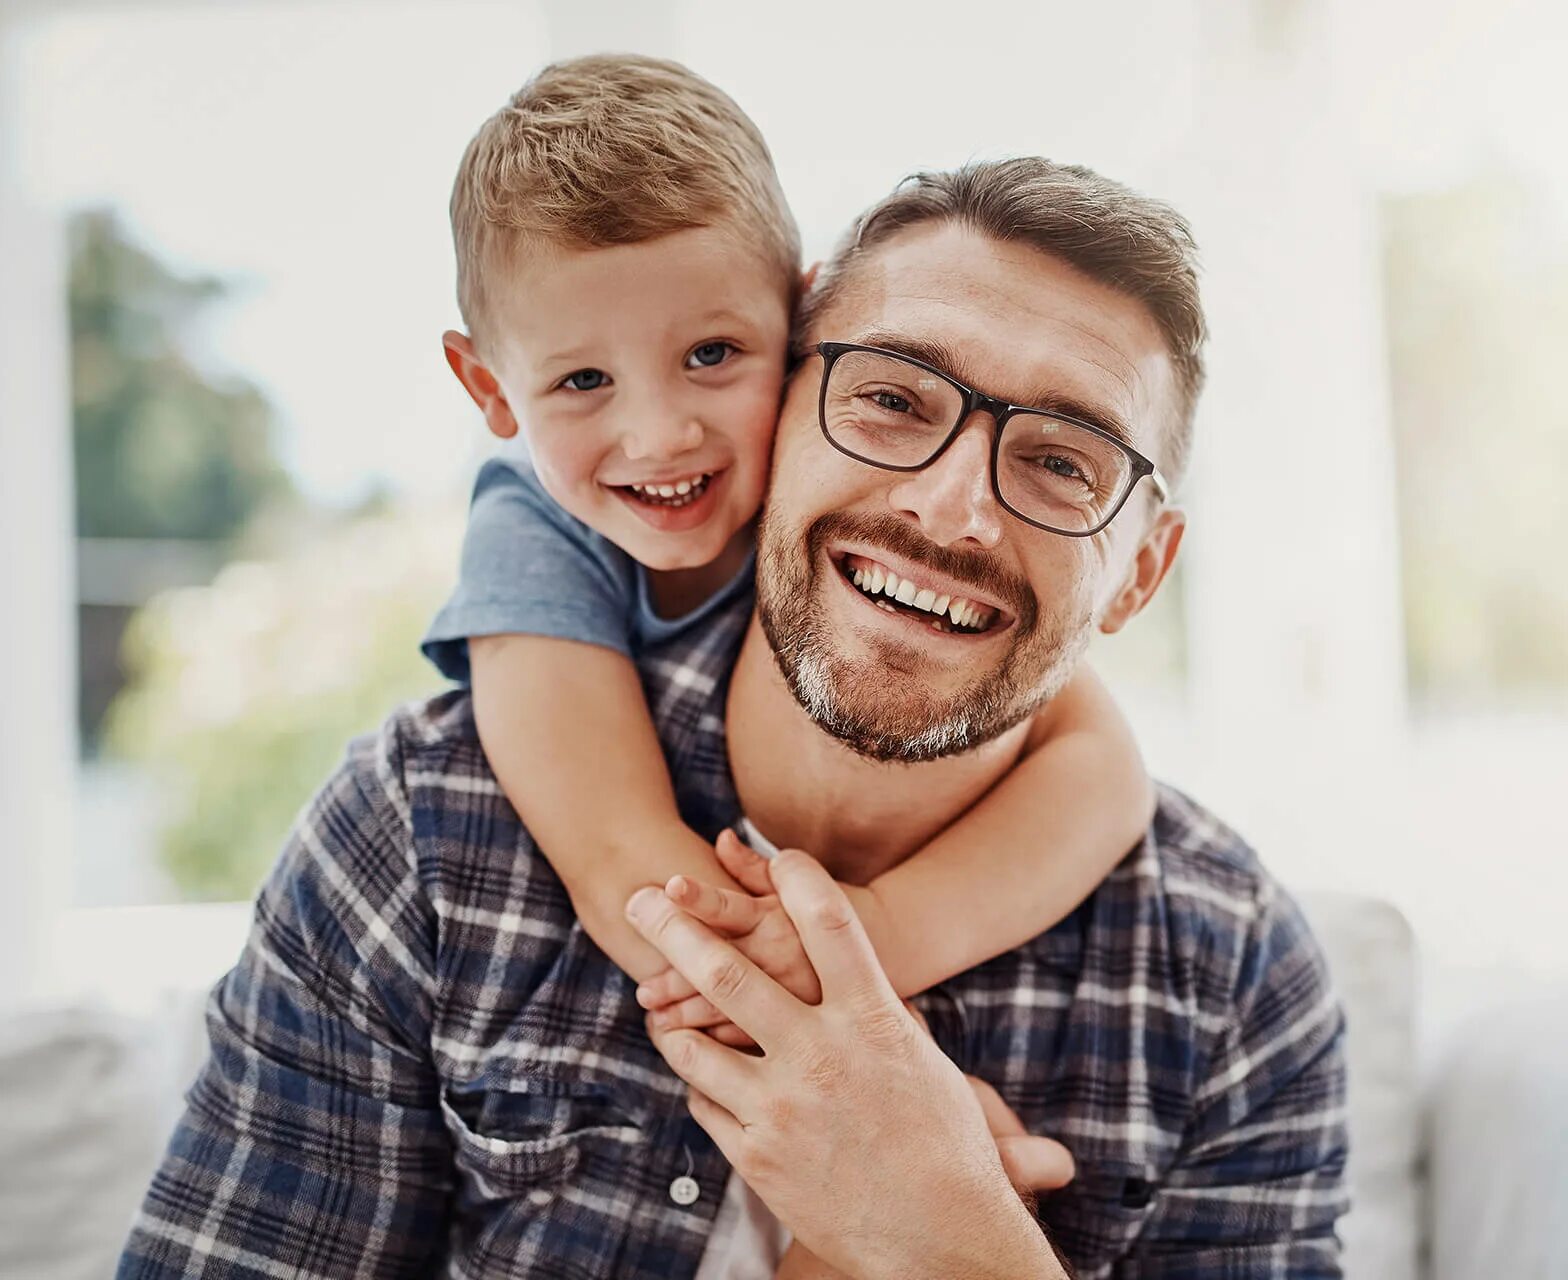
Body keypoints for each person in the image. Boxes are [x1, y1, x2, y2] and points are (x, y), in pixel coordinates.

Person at [118, 129, 1348, 1280]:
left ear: (1140, 569)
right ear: (773, 417)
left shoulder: (1233, 975)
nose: (949, 504)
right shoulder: (422, 835)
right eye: (893, 398)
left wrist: (959, 1240)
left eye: (1060, 460)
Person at [420, 53, 1154, 1053]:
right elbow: (614, 854)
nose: (663, 434)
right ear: (492, 388)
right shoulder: (534, 531)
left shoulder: (844, 480)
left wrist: (878, 940)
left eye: (712, 356)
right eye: (584, 379)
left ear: (803, 321)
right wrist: (842, 1028)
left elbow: (1101, 769)